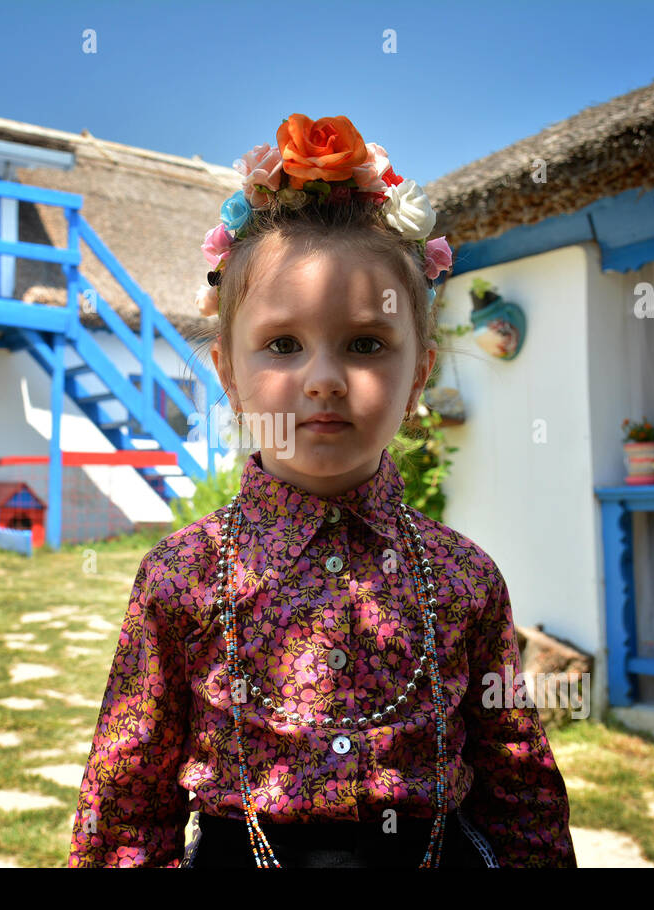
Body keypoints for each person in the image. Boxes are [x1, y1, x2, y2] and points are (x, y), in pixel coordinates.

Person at [67, 113, 576, 868]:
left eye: (366, 344)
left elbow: (520, 787)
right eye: (283, 345)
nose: (325, 378)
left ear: (418, 379)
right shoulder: (182, 576)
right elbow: (129, 802)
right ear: (231, 377)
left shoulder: (465, 577)